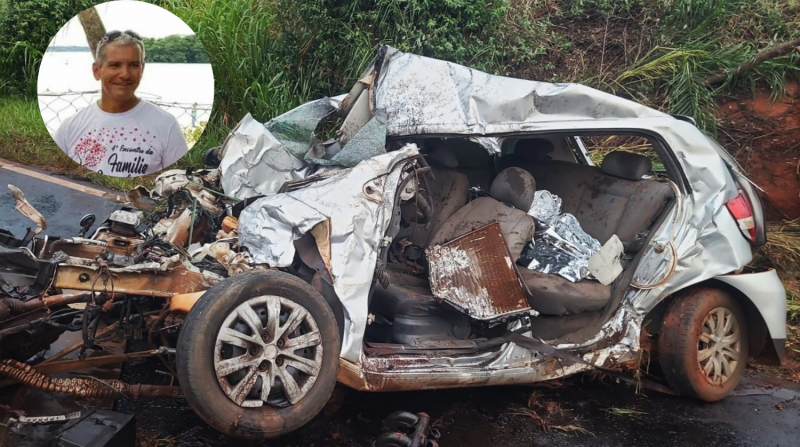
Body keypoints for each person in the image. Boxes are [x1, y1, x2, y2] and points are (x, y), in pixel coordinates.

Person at [54, 30, 188, 177]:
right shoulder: (70, 128)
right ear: (97, 71)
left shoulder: (166, 126)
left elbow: (179, 182)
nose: (125, 74)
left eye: (133, 65)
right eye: (115, 65)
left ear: (142, 70)